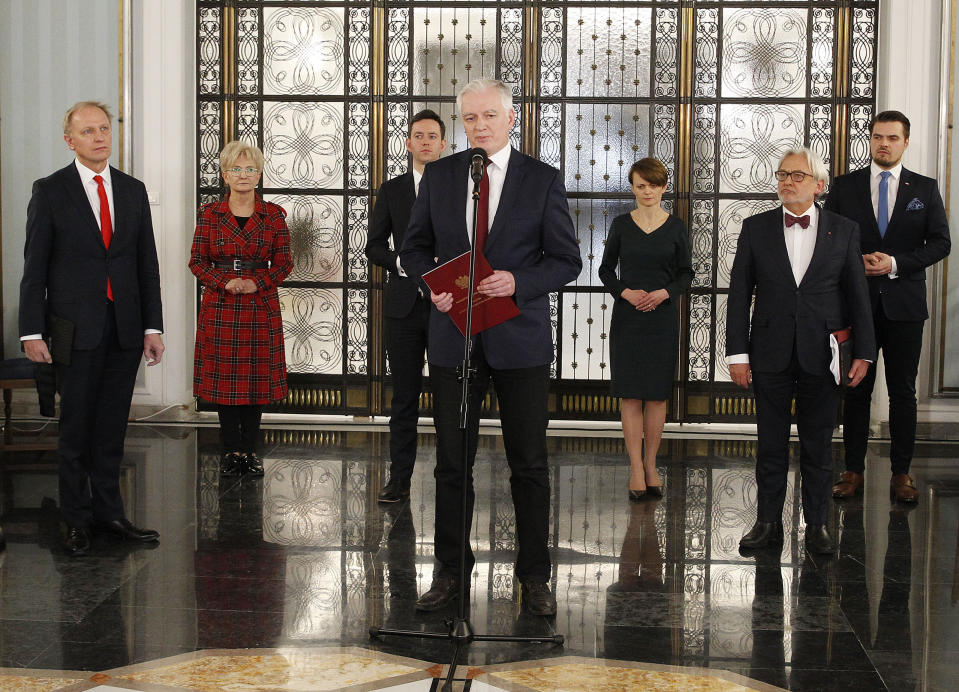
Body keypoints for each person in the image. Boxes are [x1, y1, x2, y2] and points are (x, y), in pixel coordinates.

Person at [400, 78, 582, 616]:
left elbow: (565, 261)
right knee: (451, 464)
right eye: (470, 118)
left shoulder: (541, 181)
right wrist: (432, 283)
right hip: (454, 339)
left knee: (527, 464)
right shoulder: (441, 175)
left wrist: (517, 282)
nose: (478, 126)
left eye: (487, 116)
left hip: (519, 342)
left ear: (510, 118)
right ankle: (450, 573)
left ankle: (535, 577)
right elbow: (413, 249)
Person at [19, 101, 164, 556]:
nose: (100, 137)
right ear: (70, 140)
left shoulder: (132, 190)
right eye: (88, 131)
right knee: (76, 428)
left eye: (104, 128)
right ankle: (75, 519)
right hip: (74, 330)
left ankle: (110, 515)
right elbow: (34, 269)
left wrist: (152, 327)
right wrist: (31, 332)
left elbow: (147, 265)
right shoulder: (51, 191)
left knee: (111, 429)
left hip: (124, 329)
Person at [726, 147, 876, 555]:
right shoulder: (756, 228)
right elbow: (739, 292)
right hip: (769, 352)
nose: (787, 182)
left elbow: (856, 295)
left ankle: (817, 526)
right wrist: (737, 353)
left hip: (823, 354)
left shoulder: (843, 229)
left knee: (818, 445)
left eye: (797, 175)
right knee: (769, 444)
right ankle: (767, 523)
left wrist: (864, 352)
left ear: (819, 185)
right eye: (782, 174)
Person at [825, 111, 951, 505]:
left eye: (892, 138)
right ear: (871, 139)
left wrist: (895, 263)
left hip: (904, 306)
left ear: (905, 142)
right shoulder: (845, 187)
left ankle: (902, 473)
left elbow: (940, 243)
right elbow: (827, 237)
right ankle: (852, 471)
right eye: (878, 137)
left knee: (903, 392)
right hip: (855, 304)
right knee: (856, 391)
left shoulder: (925, 189)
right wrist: (854, 260)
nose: (884, 144)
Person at [189, 141, 293, 476]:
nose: (243, 175)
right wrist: (223, 282)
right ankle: (230, 451)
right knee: (225, 384)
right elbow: (196, 262)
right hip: (220, 306)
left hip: (259, 306)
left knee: (255, 382)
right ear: (224, 174)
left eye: (250, 169)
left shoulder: (273, 215)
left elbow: (284, 264)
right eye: (236, 168)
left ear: (259, 174)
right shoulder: (209, 215)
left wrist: (257, 282)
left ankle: (250, 451)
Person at [365, 110, 447, 503]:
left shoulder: (461, 186)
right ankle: (398, 480)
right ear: (409, 143)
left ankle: (451, 479)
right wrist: (402, 262)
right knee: (404, 398)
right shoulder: (393, 189)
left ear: (445, 144)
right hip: (403, 307)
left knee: (451, 394)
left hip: (449, 306)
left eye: (433, 135)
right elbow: (374, 246)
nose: (427, 141)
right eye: (419, 135)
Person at [599, 158, 692, 501]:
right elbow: (606, 271)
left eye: (653, 185)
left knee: (656, 395)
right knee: (631, 395)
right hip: (628, 318)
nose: (647, 191)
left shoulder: (676, 227)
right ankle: (636, 469)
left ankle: (652, 465)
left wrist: (664, 293)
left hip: (662, 318)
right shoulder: (622, 225)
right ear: (633, 188)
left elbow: (686, 273)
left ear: (664, 187)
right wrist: (625, 292)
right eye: (641, 185)